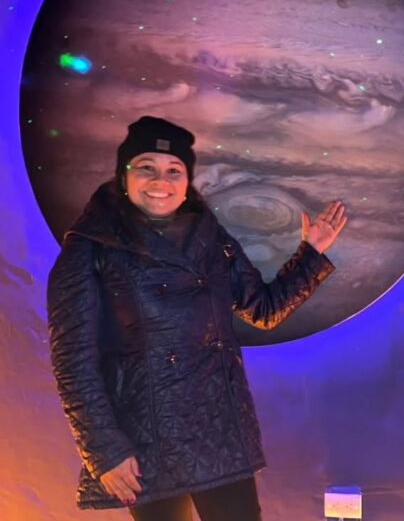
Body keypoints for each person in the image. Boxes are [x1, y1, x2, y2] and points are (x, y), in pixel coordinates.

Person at [47, 116, 347, 521]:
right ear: (124, 174)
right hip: (148, 441)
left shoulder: (208, 233)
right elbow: (73, 364)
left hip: (218, 431)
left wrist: (311, 253)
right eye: (147, 167)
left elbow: (263, 309)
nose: (161, 181)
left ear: (187, 179)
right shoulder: (90, 248)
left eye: (174, 170)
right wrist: (104, 451)